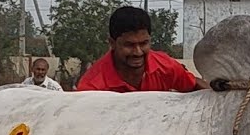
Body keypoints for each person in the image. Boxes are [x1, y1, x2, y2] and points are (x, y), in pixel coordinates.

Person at [77, 6, 207, 93]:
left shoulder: (165, 66)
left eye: (144, 43)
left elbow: (194, 84)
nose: (138, 52)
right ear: (112, 43)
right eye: (129, 45)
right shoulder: (91, 88)